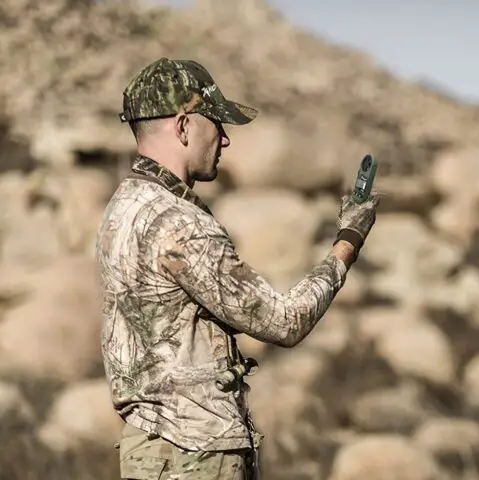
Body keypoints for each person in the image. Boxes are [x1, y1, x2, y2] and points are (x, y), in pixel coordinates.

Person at [95, 57, 379, 480]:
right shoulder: (179, 224)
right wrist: (347, 243)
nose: (225, 139)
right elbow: (285, 321)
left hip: (149, 450)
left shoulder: (123, 207)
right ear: (183, 125)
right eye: (217, 123)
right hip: (198, 456)